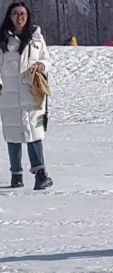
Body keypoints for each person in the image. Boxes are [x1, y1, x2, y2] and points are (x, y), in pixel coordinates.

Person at [0, 2, 53, 190]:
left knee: (34, 133)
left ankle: (40, 174)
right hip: (10, 95)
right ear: (10, 16)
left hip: (32, 94)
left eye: (22, 13)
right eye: (15, 14)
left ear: (28, 16)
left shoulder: (36, 38)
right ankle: (16, 175)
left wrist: (41, 66)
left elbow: (46, 60)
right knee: (13, 134)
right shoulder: (3, 40)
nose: (19, 17)